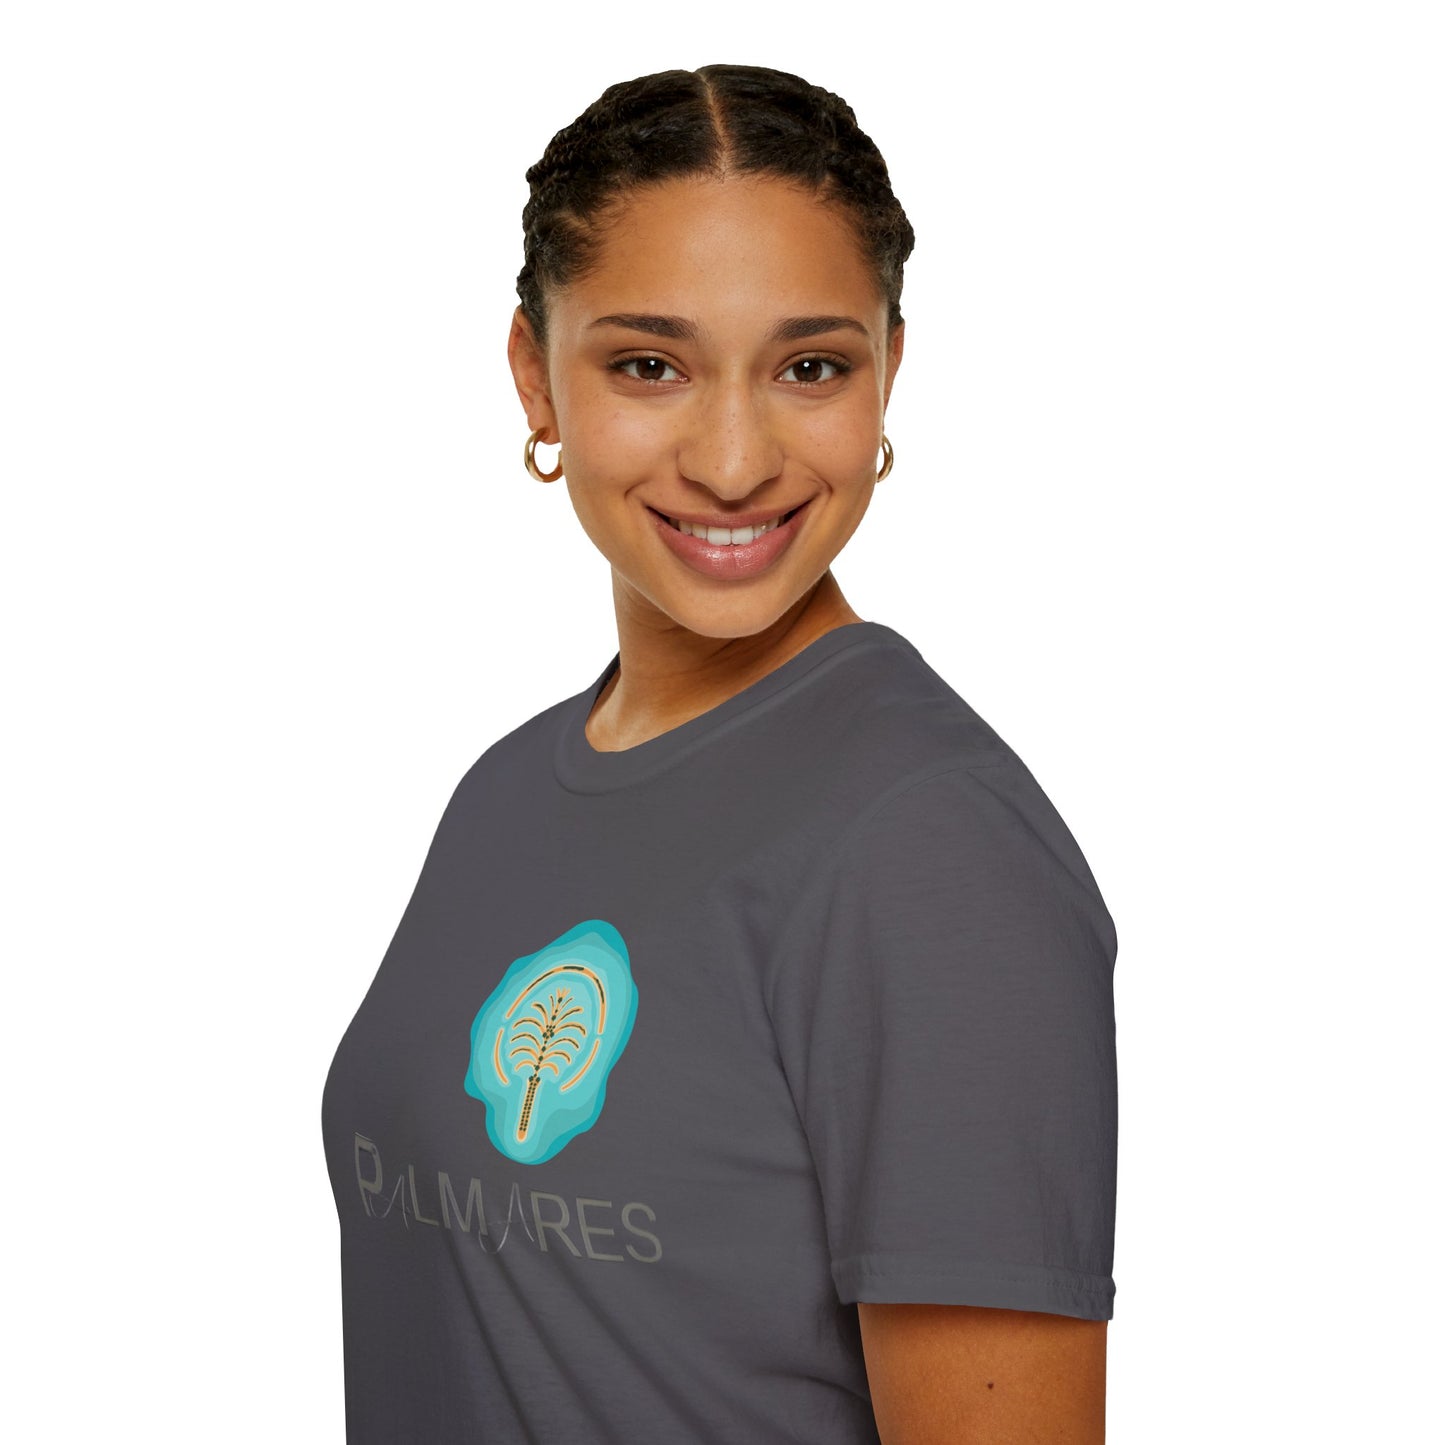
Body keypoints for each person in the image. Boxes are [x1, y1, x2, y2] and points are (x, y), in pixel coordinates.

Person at [322, 63, 1118, 1444]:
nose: (736, 460)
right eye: (650, 364)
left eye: (811, 367)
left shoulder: (931, 848)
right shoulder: (504, 791)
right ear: (534, 374)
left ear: (889, 372)